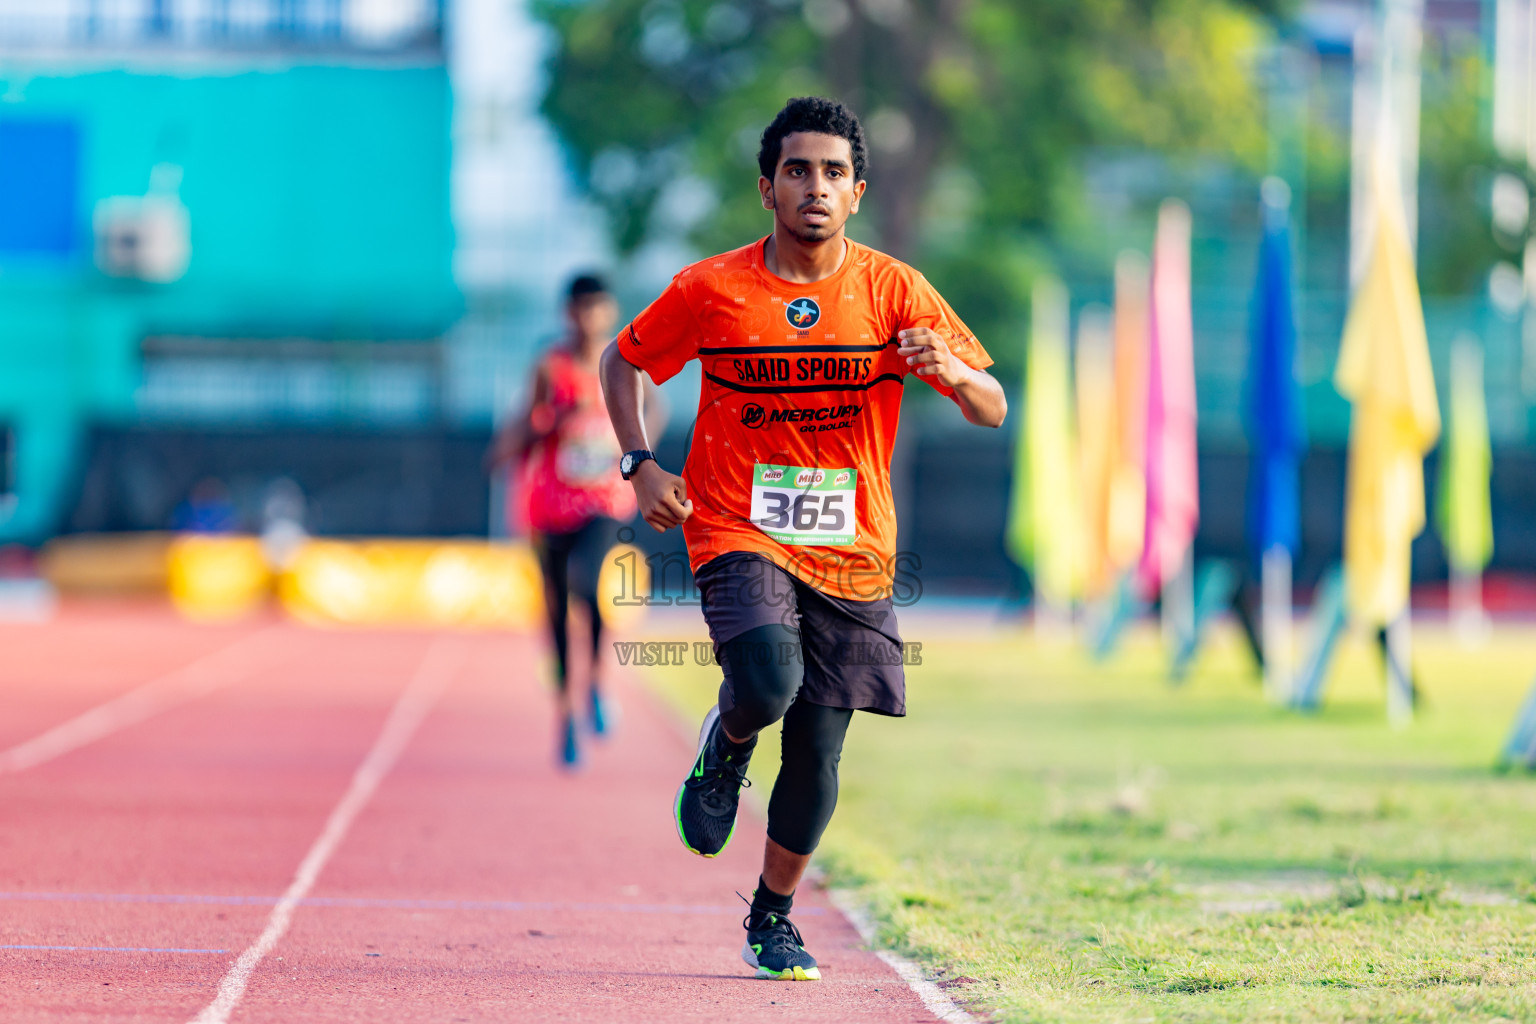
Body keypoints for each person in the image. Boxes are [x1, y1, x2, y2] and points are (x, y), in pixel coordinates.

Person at [599, 97, 1006, 980]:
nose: (815, 187)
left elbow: (991, 406)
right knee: (768, 680)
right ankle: (729, 741)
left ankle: (773, 917)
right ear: (767, 189)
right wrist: (640, 463)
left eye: (832, 173)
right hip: (737, 525)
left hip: (855, 549)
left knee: (820, 747)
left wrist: (954, 371)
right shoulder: (711, 289)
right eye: (797, 171)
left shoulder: (896, 290)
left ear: (856, 193)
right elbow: (622, 359)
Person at [490, 274, 660, 768]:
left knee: (589, 583)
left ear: (609, 311)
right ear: (568, 313)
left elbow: (653, 409)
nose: (588, 317)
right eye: (580, 308)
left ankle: (599, 684)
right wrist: (541, 429)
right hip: (549, 500)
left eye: (597, 307)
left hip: (602, 499)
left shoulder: (624, 363)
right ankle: (565, 714)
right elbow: (530, 417)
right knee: (557, 607)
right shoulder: (552, 365)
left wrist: (636, 452)